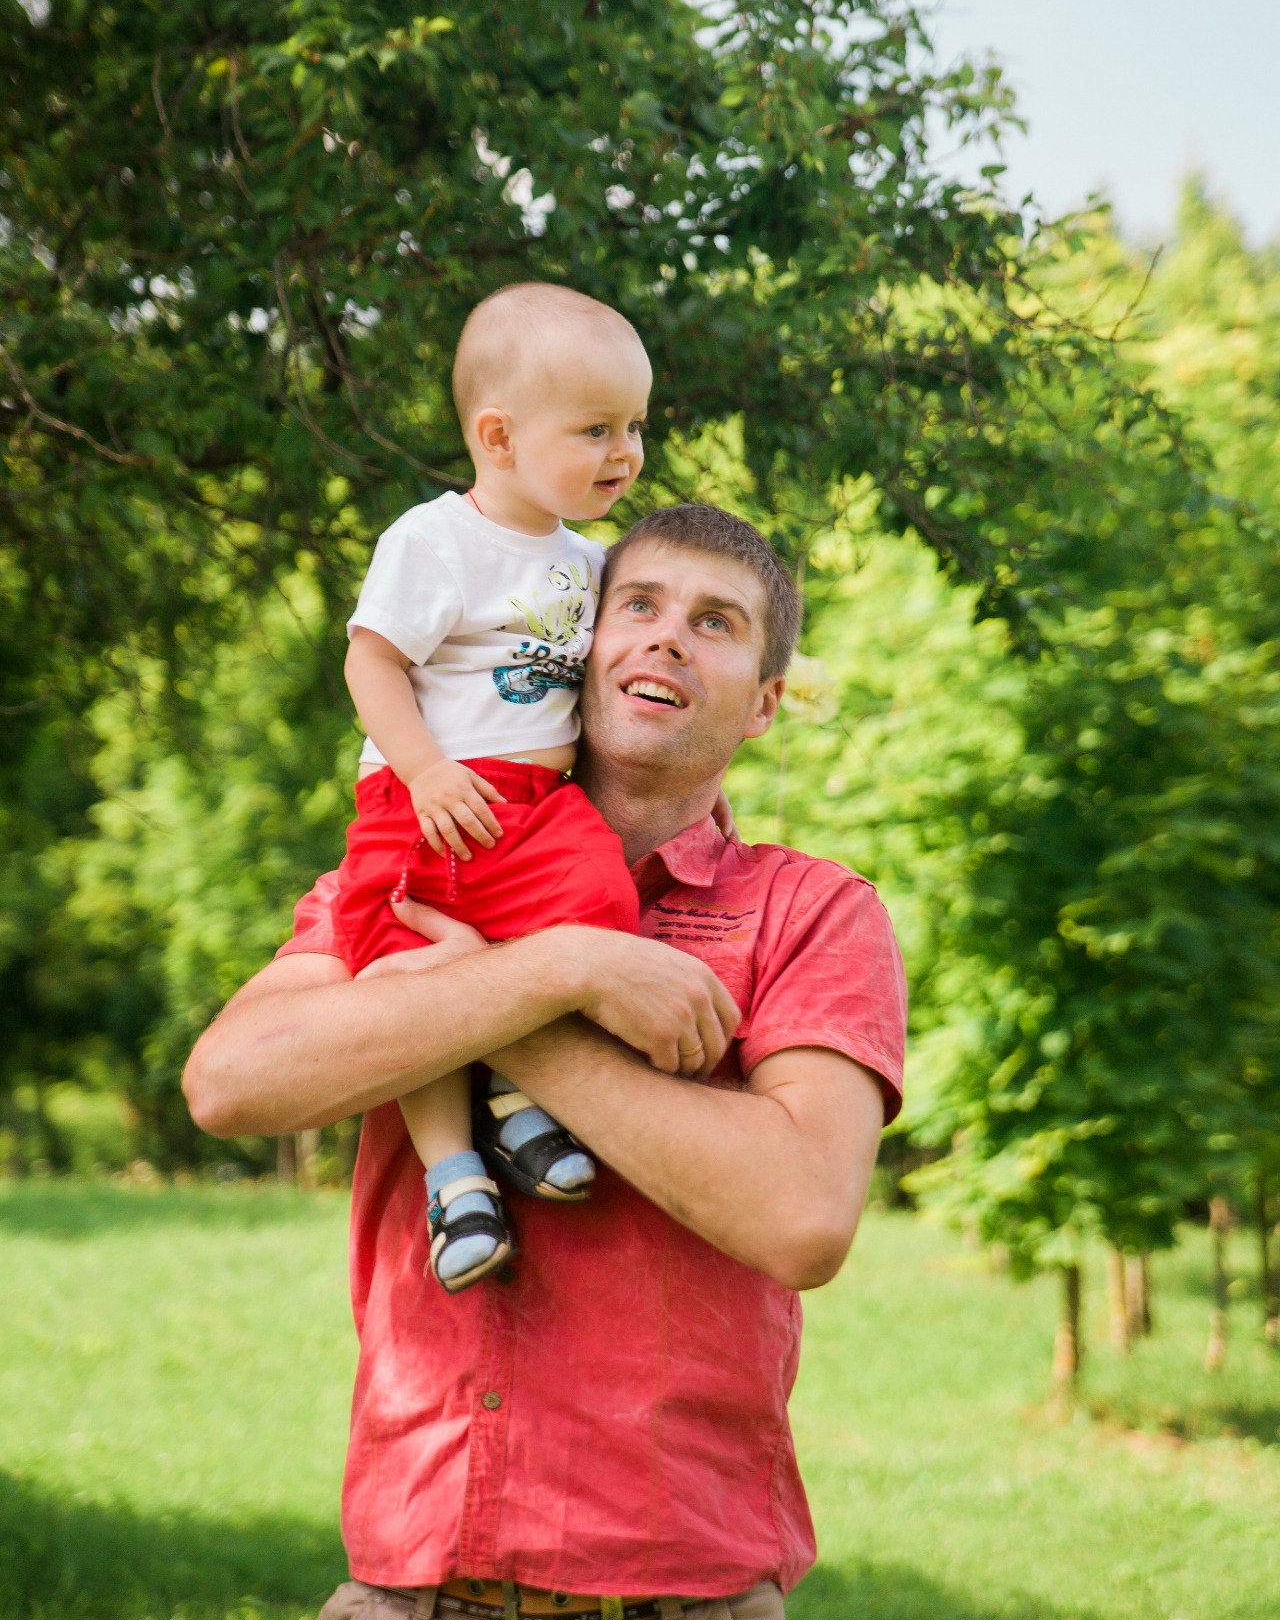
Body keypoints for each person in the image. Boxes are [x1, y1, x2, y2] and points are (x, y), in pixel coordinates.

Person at [183, 503, 908, 1620]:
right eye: (639, 606)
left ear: (765, 701)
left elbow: (801, 1215)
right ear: (578, 645)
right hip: (410, 1586)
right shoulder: (415, 865)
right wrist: (558, 962)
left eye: (715, 622)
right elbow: (232, 1082)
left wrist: (511, 1007)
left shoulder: (809, 912)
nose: (667, 637)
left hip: (683, 1595)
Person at [338, 281, 652, 1292]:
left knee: (594, 912)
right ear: (498, 435)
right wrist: (425, 768)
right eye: (597, 428)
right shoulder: (434, 540)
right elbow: (370, 662)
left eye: (636, 427)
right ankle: (454, 1176)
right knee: (407, 980)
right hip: (425, 799)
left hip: (537, 809)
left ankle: (517, 1096)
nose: (625, 453)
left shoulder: (592, 563)